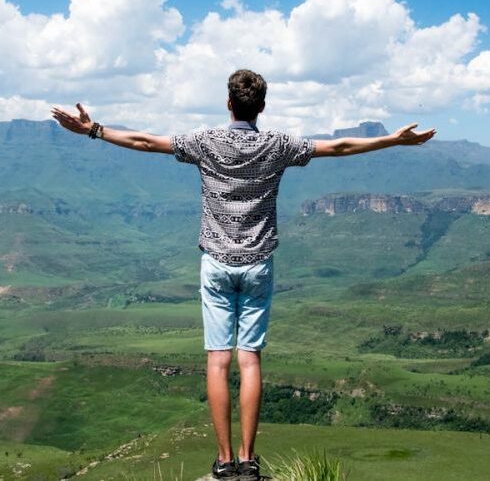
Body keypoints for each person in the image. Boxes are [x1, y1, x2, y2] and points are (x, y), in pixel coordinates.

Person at [51, 69, 436, 480]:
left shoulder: (205, 141)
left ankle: (222, 462)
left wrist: (93, 130)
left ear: (228, 103)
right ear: (262, 107)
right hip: (258, 264)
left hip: (216, 263)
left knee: (218, 361)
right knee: (249, 360)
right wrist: (392, 139)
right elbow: (338, 146)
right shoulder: (278, 145)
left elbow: (145, 141)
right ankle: (248, 461)